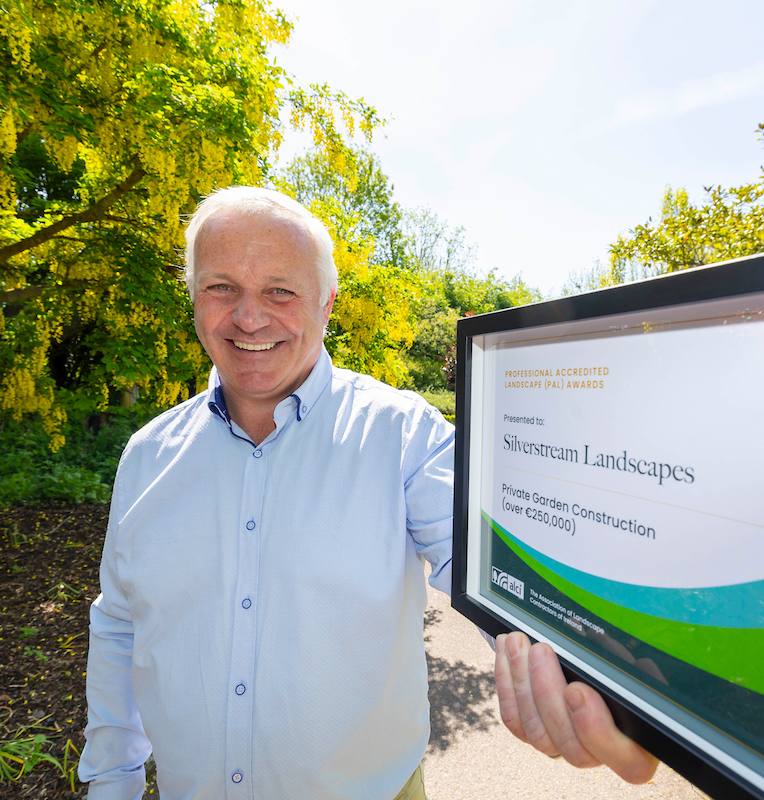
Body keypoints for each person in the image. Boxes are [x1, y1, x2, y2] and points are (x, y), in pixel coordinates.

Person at [78, 187, 658, 799]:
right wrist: (111, 782)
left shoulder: (403, 436)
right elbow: (119, 625)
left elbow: (494, 564)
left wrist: (593, 672)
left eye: (281, 290)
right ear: (194, 299)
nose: (249, 318)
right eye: (222, 287)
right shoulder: (147, 456)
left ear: (326, 304)